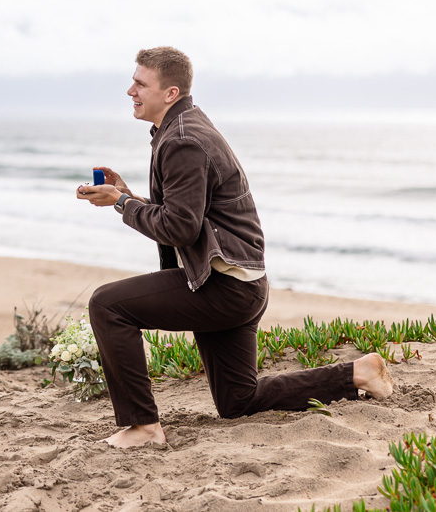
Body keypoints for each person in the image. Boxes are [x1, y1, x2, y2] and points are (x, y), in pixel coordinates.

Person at [77, 46, 394, 449]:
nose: (130, 91)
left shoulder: (184, 139)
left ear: (170, 93)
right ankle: (357, 373)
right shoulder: (182, 128)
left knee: (108, 304)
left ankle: (143, 427)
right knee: (237, 402)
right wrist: (129, 196)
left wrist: (123, 205)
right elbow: (185, 213)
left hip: (224, 286)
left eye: (140, 83)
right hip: (239, 282)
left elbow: (179, 227)